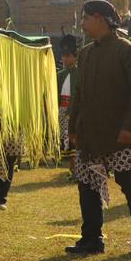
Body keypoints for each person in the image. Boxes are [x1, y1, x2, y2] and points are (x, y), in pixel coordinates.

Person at [66, 0, 131, 256]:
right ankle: (92, 239)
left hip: (122, 134)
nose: (82, 24)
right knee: (87, 185)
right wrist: (73, 128)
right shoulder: (85, 54)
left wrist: (130, 128)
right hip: (91, 134)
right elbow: (80, 95)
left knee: (130, 183)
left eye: (85, 18)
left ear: (100, 19)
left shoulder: (128, 51)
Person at [57, 35, 79, 177]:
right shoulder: (60, 75)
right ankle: (73, 169)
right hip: (62, 111)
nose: (65, 59)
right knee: (67, 140)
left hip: (75, 111)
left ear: (75, 57)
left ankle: (77, 169)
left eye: (68, 56)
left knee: (75, 140)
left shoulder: (80, 73)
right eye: (63, 56)